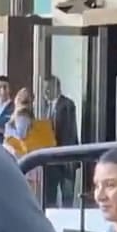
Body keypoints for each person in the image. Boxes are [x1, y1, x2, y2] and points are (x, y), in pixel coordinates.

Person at [44, 75, 79, 208]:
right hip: (51, 157)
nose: (45, 92)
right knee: (49, 195)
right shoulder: (46, 107)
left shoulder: (67, 105)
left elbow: (70, 132)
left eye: (48, 88)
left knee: (67, 194)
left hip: (65, 157)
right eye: (44, 89)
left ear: (57, 88)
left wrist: (69, 157)